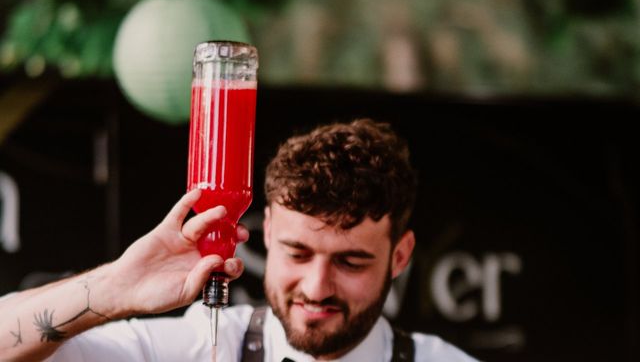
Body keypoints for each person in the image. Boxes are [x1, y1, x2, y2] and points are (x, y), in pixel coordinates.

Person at [0, 119, 478, 361]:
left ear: (400, 256)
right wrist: (114, 290)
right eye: (298, 252)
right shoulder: (205, 345)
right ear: (268, 232)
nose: (316, 286)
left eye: (351, 262)